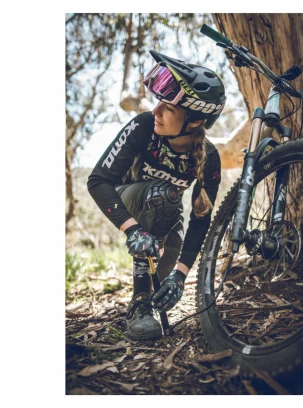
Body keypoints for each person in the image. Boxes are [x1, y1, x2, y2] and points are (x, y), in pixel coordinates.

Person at [87, 50, 226, 341]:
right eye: (158, 102)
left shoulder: (209, 157)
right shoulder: (143, 127)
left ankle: (150, 301)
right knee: (163, 194)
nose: (155, 111)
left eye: (168, 108)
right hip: (126, 201)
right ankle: (139, 304)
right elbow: (98, 181)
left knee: (167, 261)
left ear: (194, 121)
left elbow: (200, 220)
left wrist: (180, 275)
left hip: (165, 210)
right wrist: (132, 229)